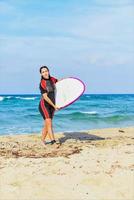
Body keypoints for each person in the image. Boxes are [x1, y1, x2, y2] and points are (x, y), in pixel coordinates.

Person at [38, 66, 61, 146]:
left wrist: (69, 80)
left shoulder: (52, 79)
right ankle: (53, 142)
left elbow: (60, 83)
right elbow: (45, 97)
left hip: (52, 105)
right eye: (43, 72)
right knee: (49, 123)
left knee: (47, 125)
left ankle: (42, 141)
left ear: (48, 71)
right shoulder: (42, 84)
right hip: (44, 105)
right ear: (41, 74)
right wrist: (54, 106)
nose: (45, 73)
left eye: (46, 71)